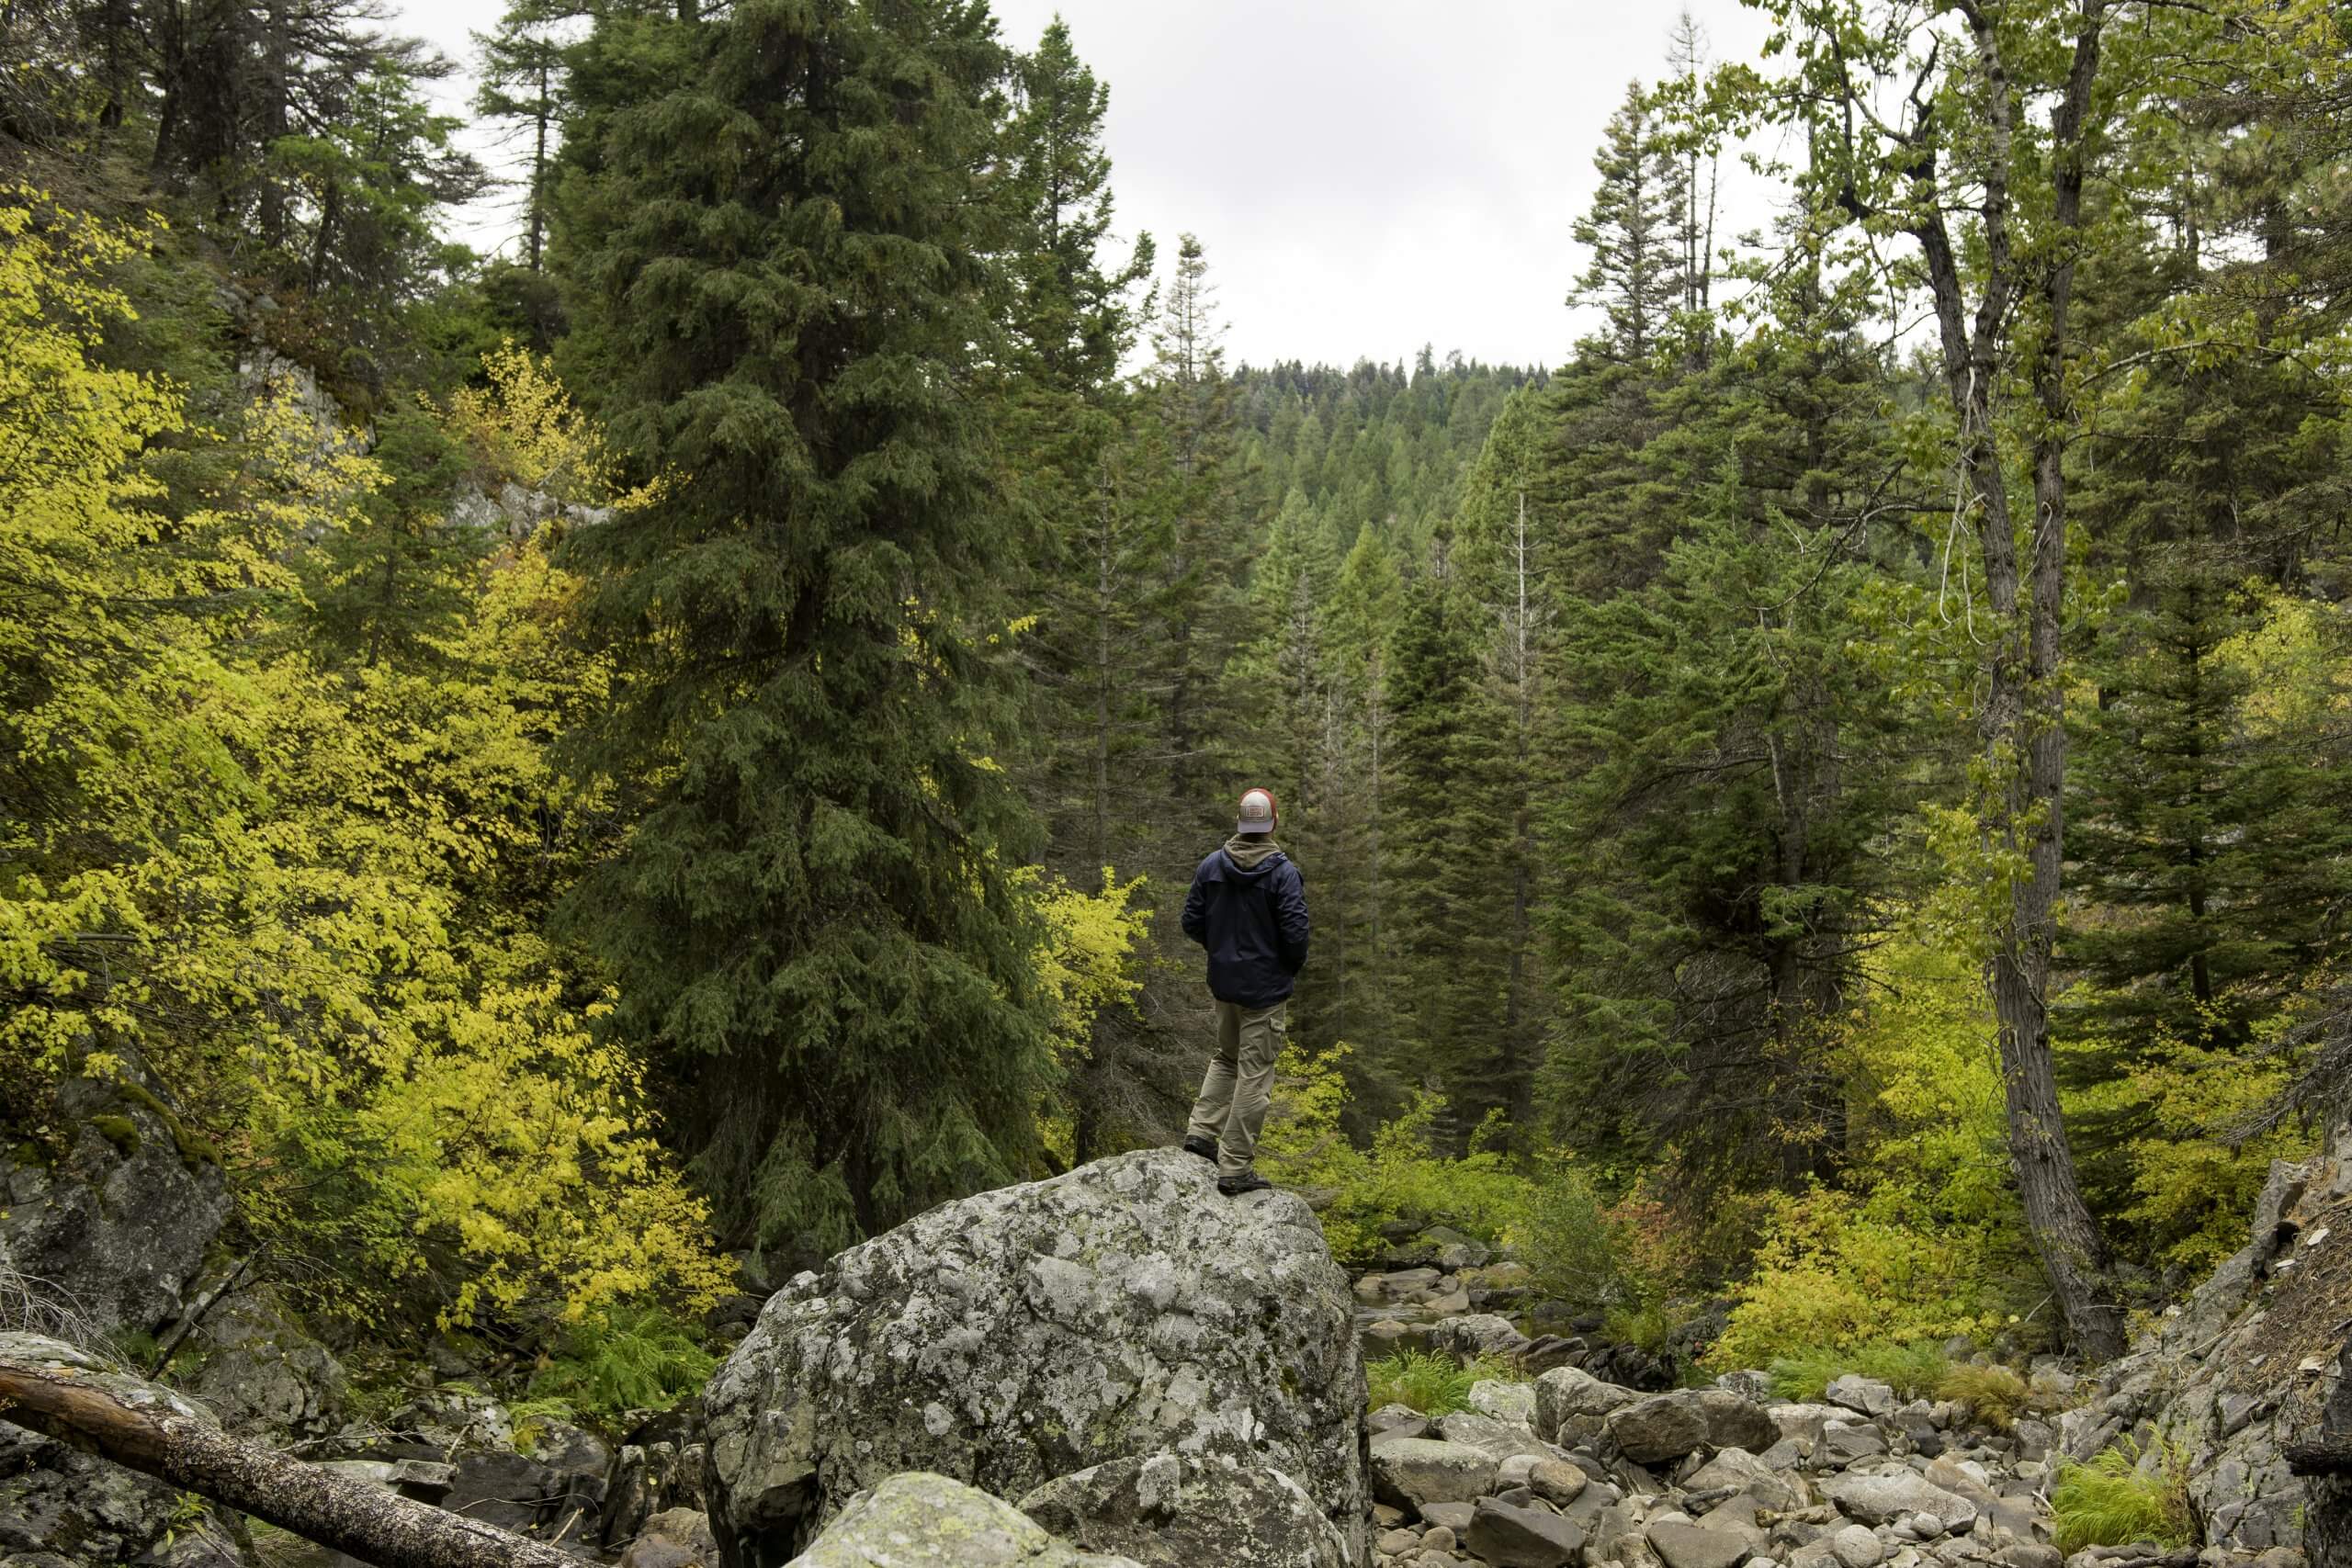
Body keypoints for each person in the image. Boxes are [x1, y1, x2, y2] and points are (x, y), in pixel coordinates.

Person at [1179, 786, 1310, 1196]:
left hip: (1225, 985)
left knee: (1226, 1057)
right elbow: (1296, 936)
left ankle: (1201, 1134)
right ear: (1272, 823)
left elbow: (1191, 921)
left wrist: (1221, 953)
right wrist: (1283, 968)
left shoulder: (1211, 865)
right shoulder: (1282, 872)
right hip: (1264, 991)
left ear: (1241, 822)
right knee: (1255, 1074)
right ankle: (1234, 1167)